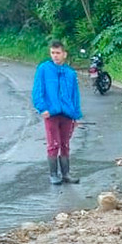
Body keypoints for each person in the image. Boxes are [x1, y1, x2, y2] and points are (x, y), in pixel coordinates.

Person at [31, 40, 83, 185]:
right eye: (53, 53)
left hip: (67, 113)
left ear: (64, 54)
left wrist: (76, 115)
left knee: (65, 144)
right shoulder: (43, 69)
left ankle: (66, 173)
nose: (55, 56)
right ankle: (53, 174)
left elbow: (75, 95)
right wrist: (42, 108)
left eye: (58, 53)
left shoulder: (70, 73)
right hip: (51, 113)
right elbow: (37, 91)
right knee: (53, 144)